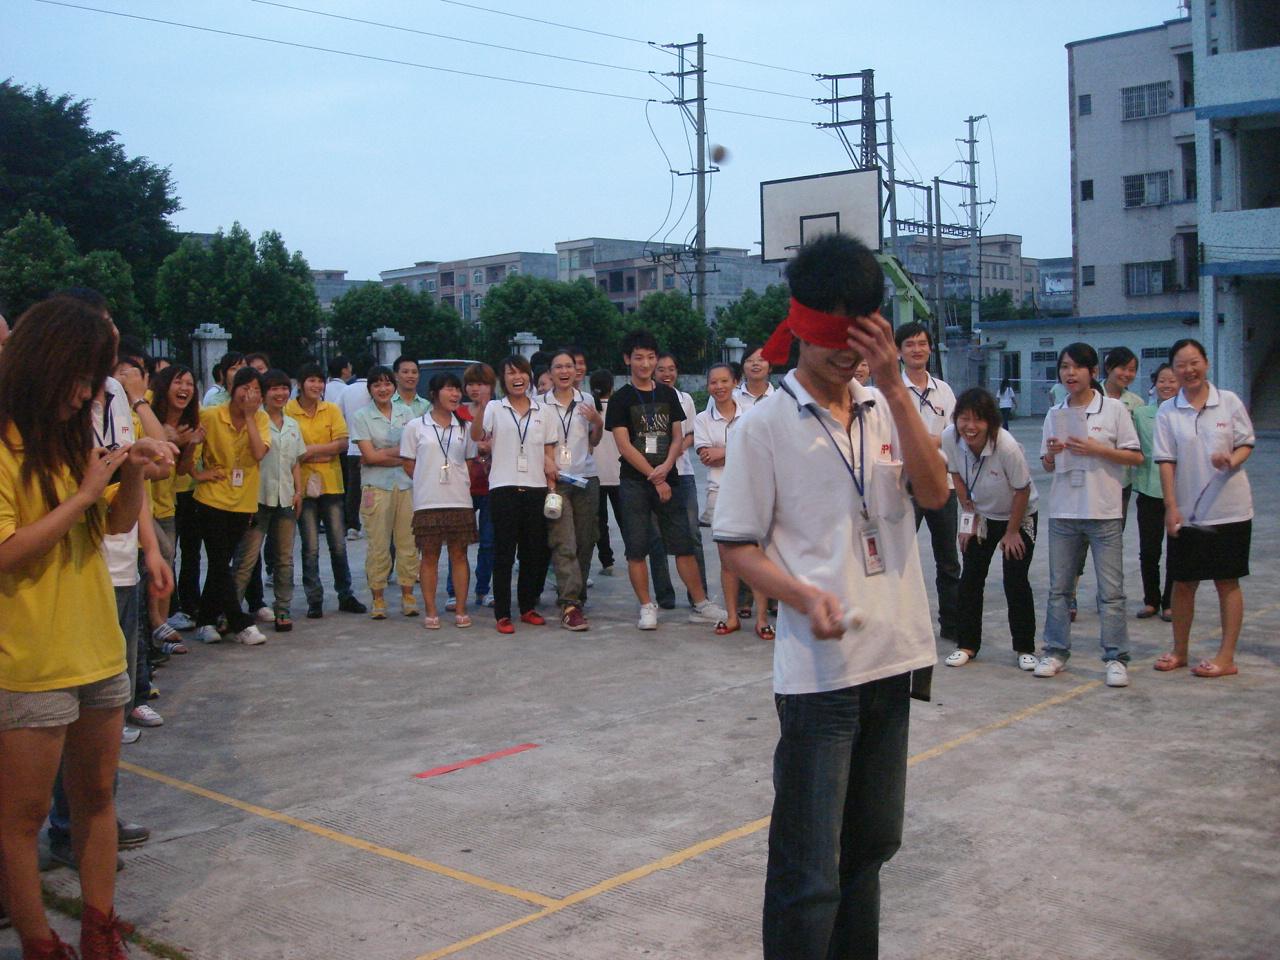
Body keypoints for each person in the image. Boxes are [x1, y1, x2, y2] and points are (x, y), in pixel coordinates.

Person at [713, 234, 946, 960]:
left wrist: (897, 390)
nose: (849, 357)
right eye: (834, 341)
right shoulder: (763, 427)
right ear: (801, 329)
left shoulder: (884, 407)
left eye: (861, 341)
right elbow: (737, 544)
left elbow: (936, 492)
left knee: (870, 850)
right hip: (821, 679)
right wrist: (800, 595)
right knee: (808, 871)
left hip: (893, 658)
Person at [0, 296, 170, 959]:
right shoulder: (6, 445)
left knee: (97, 797)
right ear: (44, 365)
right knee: (22, 819)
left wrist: (133, 474)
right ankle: (40, 942)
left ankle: (99, 928)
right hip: (29, 658)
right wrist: (82, 495)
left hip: (98, 647)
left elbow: (114, 526)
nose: (86, 393)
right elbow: (8, 551)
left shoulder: (76, 439)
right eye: (80, 378)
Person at [604, 330, 727, 631]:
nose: (645, 364)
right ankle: (647, 606)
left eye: (650, 357)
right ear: (627, 360)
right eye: (638, 358)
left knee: (683, 545)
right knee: (636, 548)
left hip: (670, 479)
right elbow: (624, 445)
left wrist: (667, 467)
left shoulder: (668, 394)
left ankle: (700, 603)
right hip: (635, 483)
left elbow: (677, 437)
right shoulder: (620, 399)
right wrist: (653, 475)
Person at [1037, 342, 1143, 687]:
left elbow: (1135, 456)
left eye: (1077, 367)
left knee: (1111, 592)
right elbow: (1046, 464)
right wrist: (1051, 454)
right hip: (1064, 511)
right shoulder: (1055, 413)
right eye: (1064, 367)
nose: (1070, 373)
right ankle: (1055, 651)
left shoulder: (1113, 410)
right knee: (1059, 589)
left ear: (1093, 372)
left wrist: (1097, 448)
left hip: (1103, 512)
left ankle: (1116, 657)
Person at [1154, 339, 1255, 678]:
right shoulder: (1168, 411)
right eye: (1181, 365)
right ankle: (1179, 650)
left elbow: (1246, 443)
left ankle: (1226, 657)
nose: (1189, 370)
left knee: (1227, 581)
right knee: (1183, 582)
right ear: (1173, 370)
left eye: (1194, 362)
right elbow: (1166, 461)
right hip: (1188, 512)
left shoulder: (1228, 402)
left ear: (1206, 363)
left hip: (1231, 509)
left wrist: (1231, 460)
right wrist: (1171, 506)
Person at [941, 388, 1039, 670]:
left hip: (1018, 515)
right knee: (970, 579)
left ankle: (1024, 648)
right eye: (964, 418)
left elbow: (1022, 490)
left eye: (978, 420)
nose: (970, 427)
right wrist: (968, 517)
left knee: (1015, 580)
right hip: (982, 514)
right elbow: (956, 474)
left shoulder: (1006, 446)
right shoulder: (950, 437)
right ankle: (967, 644)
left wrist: (1012, 532)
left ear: (991, 422)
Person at [471, 356, 555, 634]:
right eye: (510, 373)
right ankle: (503, 613)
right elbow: (477, 436)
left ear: (529, 377)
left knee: (533, 551)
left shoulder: (543, 410)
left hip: (536, 487)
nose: (517, 377)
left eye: (521, 372)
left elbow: (549, 450)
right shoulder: (495, 408)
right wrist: (481, 407)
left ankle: (527, 606)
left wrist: (551, 482)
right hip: (503, 487)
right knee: (504, 552)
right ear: (502, 379)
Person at [190, 367, 271, 646]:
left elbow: (259, 453)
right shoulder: (211, 415)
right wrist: (199, 474)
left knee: (221, 564)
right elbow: (191, 453)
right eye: (245, 387)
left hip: (243, 500)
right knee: (218, 561)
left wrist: (249, 417)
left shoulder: (260, 418)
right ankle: (240, 622)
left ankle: (205, 620)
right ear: (232, 389)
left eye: (256, 390)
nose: (250, 394)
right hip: (211, 498)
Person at [895, 321, 961, 641]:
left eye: (922, 343)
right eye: (910, 344)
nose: (917, 349)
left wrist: (924, 440)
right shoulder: (890, 392)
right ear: (898, 352)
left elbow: (957, 434)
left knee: (948, 560)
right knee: (899, 560)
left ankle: (951, 623)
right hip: (904, 487)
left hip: (943, 486)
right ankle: (899, 625)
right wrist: (932, 440)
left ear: (930, 349)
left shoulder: (943, 391)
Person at [286, 364, 366, 617]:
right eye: (311, 380)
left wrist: (309, 451)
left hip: (331, 485)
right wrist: (323, 450)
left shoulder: (330, 409)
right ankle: (314, 599)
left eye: (320, 381)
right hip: (302, 487)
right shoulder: (288, 411)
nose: (317, 386)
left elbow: (341, 443)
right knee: (310, 546)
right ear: (300, 384)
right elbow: (290, 449)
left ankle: (345, 594)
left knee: (338, 545)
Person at [401, 373, 479, 629]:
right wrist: (427, 481)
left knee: (459, 554)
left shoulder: (464, 428)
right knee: (429, 555)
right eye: (448, 389)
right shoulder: (416, 427)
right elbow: (409, 464)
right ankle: (431, 611)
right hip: (428, 500)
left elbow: (469, 462)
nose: (455, 394)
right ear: (434, 394)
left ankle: (461, 609)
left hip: (459, 499)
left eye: (457, 389)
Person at [232, 368, 304, 633]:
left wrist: (299, 491)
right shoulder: (256, 421)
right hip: (257, 499)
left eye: (284, 388)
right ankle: (231, 611)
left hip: (286, 499)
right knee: (246, 560)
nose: (280, 393)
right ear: (263, 394)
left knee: (284, 559)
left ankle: (283, 609)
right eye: (274, 388)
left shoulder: (293, 425)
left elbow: (295, 462)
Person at [541, 348, 603, 631]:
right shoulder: (540, 404)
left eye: (569, 366)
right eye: (558, 367)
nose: (565, 371)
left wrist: (597, 422)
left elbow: (594, 441)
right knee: (563, 541)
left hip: (586, 479)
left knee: (586, 541)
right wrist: (546, 463)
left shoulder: (586, 400)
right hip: (557, 482)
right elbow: (534, 441)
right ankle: (569, 604)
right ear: (550, 372)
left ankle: (576, 596)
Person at [693, 363, 757, 637]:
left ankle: (762, 619)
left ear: (735, 383)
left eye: (724, 381)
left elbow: (759, 451)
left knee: (756, 557)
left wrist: (724, 452)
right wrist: (735, 451)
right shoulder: (702, 419)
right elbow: (707, 457)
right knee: (727, 558)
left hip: (751, 491)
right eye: (713, 382)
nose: (719, 387)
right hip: (719, 494)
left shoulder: (752, 413)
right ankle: (732, 616)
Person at [350, 365, 419, 619]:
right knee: (378, 545)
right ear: (370, 389)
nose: (383, 389)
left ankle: (408, 595)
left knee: (408, 543)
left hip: (406, 485)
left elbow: (412, 451)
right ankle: (378, 597)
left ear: (394, 386)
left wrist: (382, 454)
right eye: (377, 384)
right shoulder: (362, 416)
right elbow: (368, 457)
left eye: (387, 383)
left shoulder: (406, 412)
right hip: (376, 487)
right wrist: (395, 454)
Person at [146, 364, 201, 651]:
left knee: (167, 564)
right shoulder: (147, 413)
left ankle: (160, 631)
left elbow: (179, 470)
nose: (184, 389)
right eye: (178, 382)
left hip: (167, 502)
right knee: (161, 556)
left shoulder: (188, 422)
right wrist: (166, 438)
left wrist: (188, 444)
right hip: (143, 503)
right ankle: (154, 624)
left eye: (189, 384)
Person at [652, 352, 709, 606]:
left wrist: (673, 452)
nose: (667, 374)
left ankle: (699, 595)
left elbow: (691, 434)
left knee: (692, 534)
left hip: (682, 473)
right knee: (656, 538)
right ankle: (664, 595)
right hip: (653, 474)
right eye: (661, 369)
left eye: (671, 369)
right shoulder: (647, 399)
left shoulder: (685, 399)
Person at [448, 363, 497, 609]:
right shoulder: (457, 413)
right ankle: (453, 591)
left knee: (489, 542)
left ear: (491, 386)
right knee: (458, 542)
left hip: (491, 486)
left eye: (481, 383)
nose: (476, 389)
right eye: (471, 384)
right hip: (463, 487)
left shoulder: (499, 411)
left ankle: (483, 589)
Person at [1132, 363, 1178, 621]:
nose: (1167, 385)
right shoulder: (1141, 414)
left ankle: (1170, 602)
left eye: (1172, 381)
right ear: (1154, 384)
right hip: (1149, 490)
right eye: (1162, 380)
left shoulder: (1186, 414)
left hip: (1179, 492)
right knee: (1149, 550)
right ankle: (1151, 600)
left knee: (1176, 550)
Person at [338, 356, 375, 540]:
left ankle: (352, 525)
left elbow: (338, 414)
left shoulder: (346, 390)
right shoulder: (376, 389)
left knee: (353, 489)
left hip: (353, 447)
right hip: (375, 448)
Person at [590, 369, 622, 578]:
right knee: (625, 519)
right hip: (619, 473)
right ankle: (634, 555)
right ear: (612, 387)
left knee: (599, 522)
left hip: (596, 474)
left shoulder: (589, 411)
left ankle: (607, 561)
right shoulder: (620, 407)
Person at [736, 343, 775, 410]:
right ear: (742, 368)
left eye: (761, 360)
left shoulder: (780, 398)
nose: (755, 363)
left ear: (770, 367)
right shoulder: (732, 398)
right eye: (750, 360)